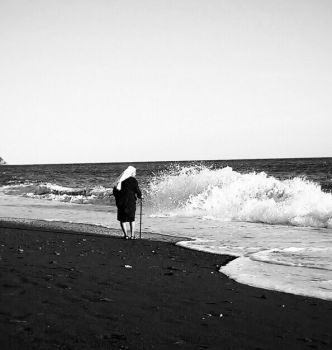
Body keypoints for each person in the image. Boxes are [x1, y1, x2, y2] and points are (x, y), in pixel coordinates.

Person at [113, 166, 142, 239]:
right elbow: (137, 190)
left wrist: (118, 198)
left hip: (121, 202)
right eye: (135, 172)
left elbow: (115, 191)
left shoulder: (119, 180)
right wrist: (140, 196)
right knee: (131, 219)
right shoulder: (133, 180)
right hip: (130, 202)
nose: (135, 174)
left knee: (122, 219)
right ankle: (132, 236)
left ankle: (126, 235)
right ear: (131, 173)